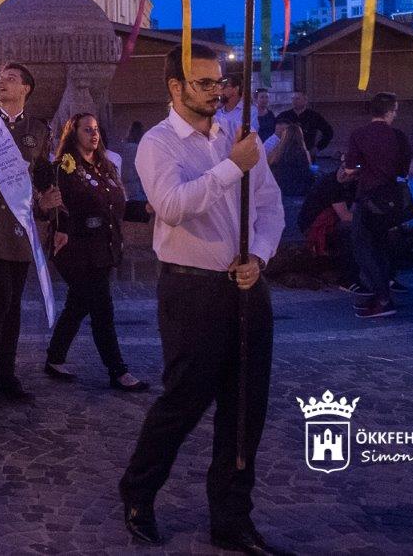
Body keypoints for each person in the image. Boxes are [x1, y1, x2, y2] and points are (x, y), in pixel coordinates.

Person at [118, 44, 284, 553]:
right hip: (191, 289)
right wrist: (232, 167)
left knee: (244, 408)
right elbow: (170, 206)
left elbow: (270, 207)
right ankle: (138, 492)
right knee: (183, 402)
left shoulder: (236, 138)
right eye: (204, 84)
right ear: (176, 87)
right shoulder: (159, 143)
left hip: (247, 287)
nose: (218, 91)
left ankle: (232, 517)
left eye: (219, 82)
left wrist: (257, 255)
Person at [43, 112, 148, 392]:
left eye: (96, 129)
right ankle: (118, 371)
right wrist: (61, 228)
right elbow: (57, 208)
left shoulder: (106, 166)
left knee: (78, 304)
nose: (94, 134)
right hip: (75, 249)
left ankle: (54, 358)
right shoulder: (63, 167)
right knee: (102, 308)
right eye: (87, 129)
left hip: (103, 247)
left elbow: (119, 206)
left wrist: (146, 210)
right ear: (73, 133)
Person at [0, 63, 51, 402]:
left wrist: (46, 201)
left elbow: (42, 175)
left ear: (26, 89)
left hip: (19, 225)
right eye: (1, 79)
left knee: (14, 303)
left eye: (11, 80)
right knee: (1, 298)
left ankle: (7, 375)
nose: (3, 83)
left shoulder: (38, 128)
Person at [344, 92, 413, 319]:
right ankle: (382, 294)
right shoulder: (399, 136)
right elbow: (404, 170)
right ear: (390, 110)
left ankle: (382, 297)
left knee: (364, 247)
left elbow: (350, 169)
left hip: (368, 197)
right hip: (391, 197)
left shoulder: (359, 135)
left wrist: (361, 169)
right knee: (381, 247)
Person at [298, 160, 358, 291]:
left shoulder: (352, 185)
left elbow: (353, 208)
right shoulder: (331, 184)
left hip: (330, 220)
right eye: (342, 169)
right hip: (314, 224)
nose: (343, 175)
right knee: (348, 231)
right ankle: (347, 279)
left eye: (349, 175)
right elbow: (345, 216)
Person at [266, 117, 313, 199]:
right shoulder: (305, 153)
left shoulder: (278, 152)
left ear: (285, 135)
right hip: (300, 192)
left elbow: (269, 165)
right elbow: (309, 170)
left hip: (282, 191)